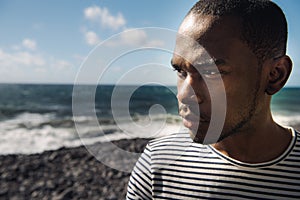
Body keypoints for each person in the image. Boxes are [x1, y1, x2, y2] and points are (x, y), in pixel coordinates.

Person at [126, 0, 300, 199]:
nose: (184, 95)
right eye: (181, 71)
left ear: (275, 75)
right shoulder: (156, 164)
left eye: (211, 72)